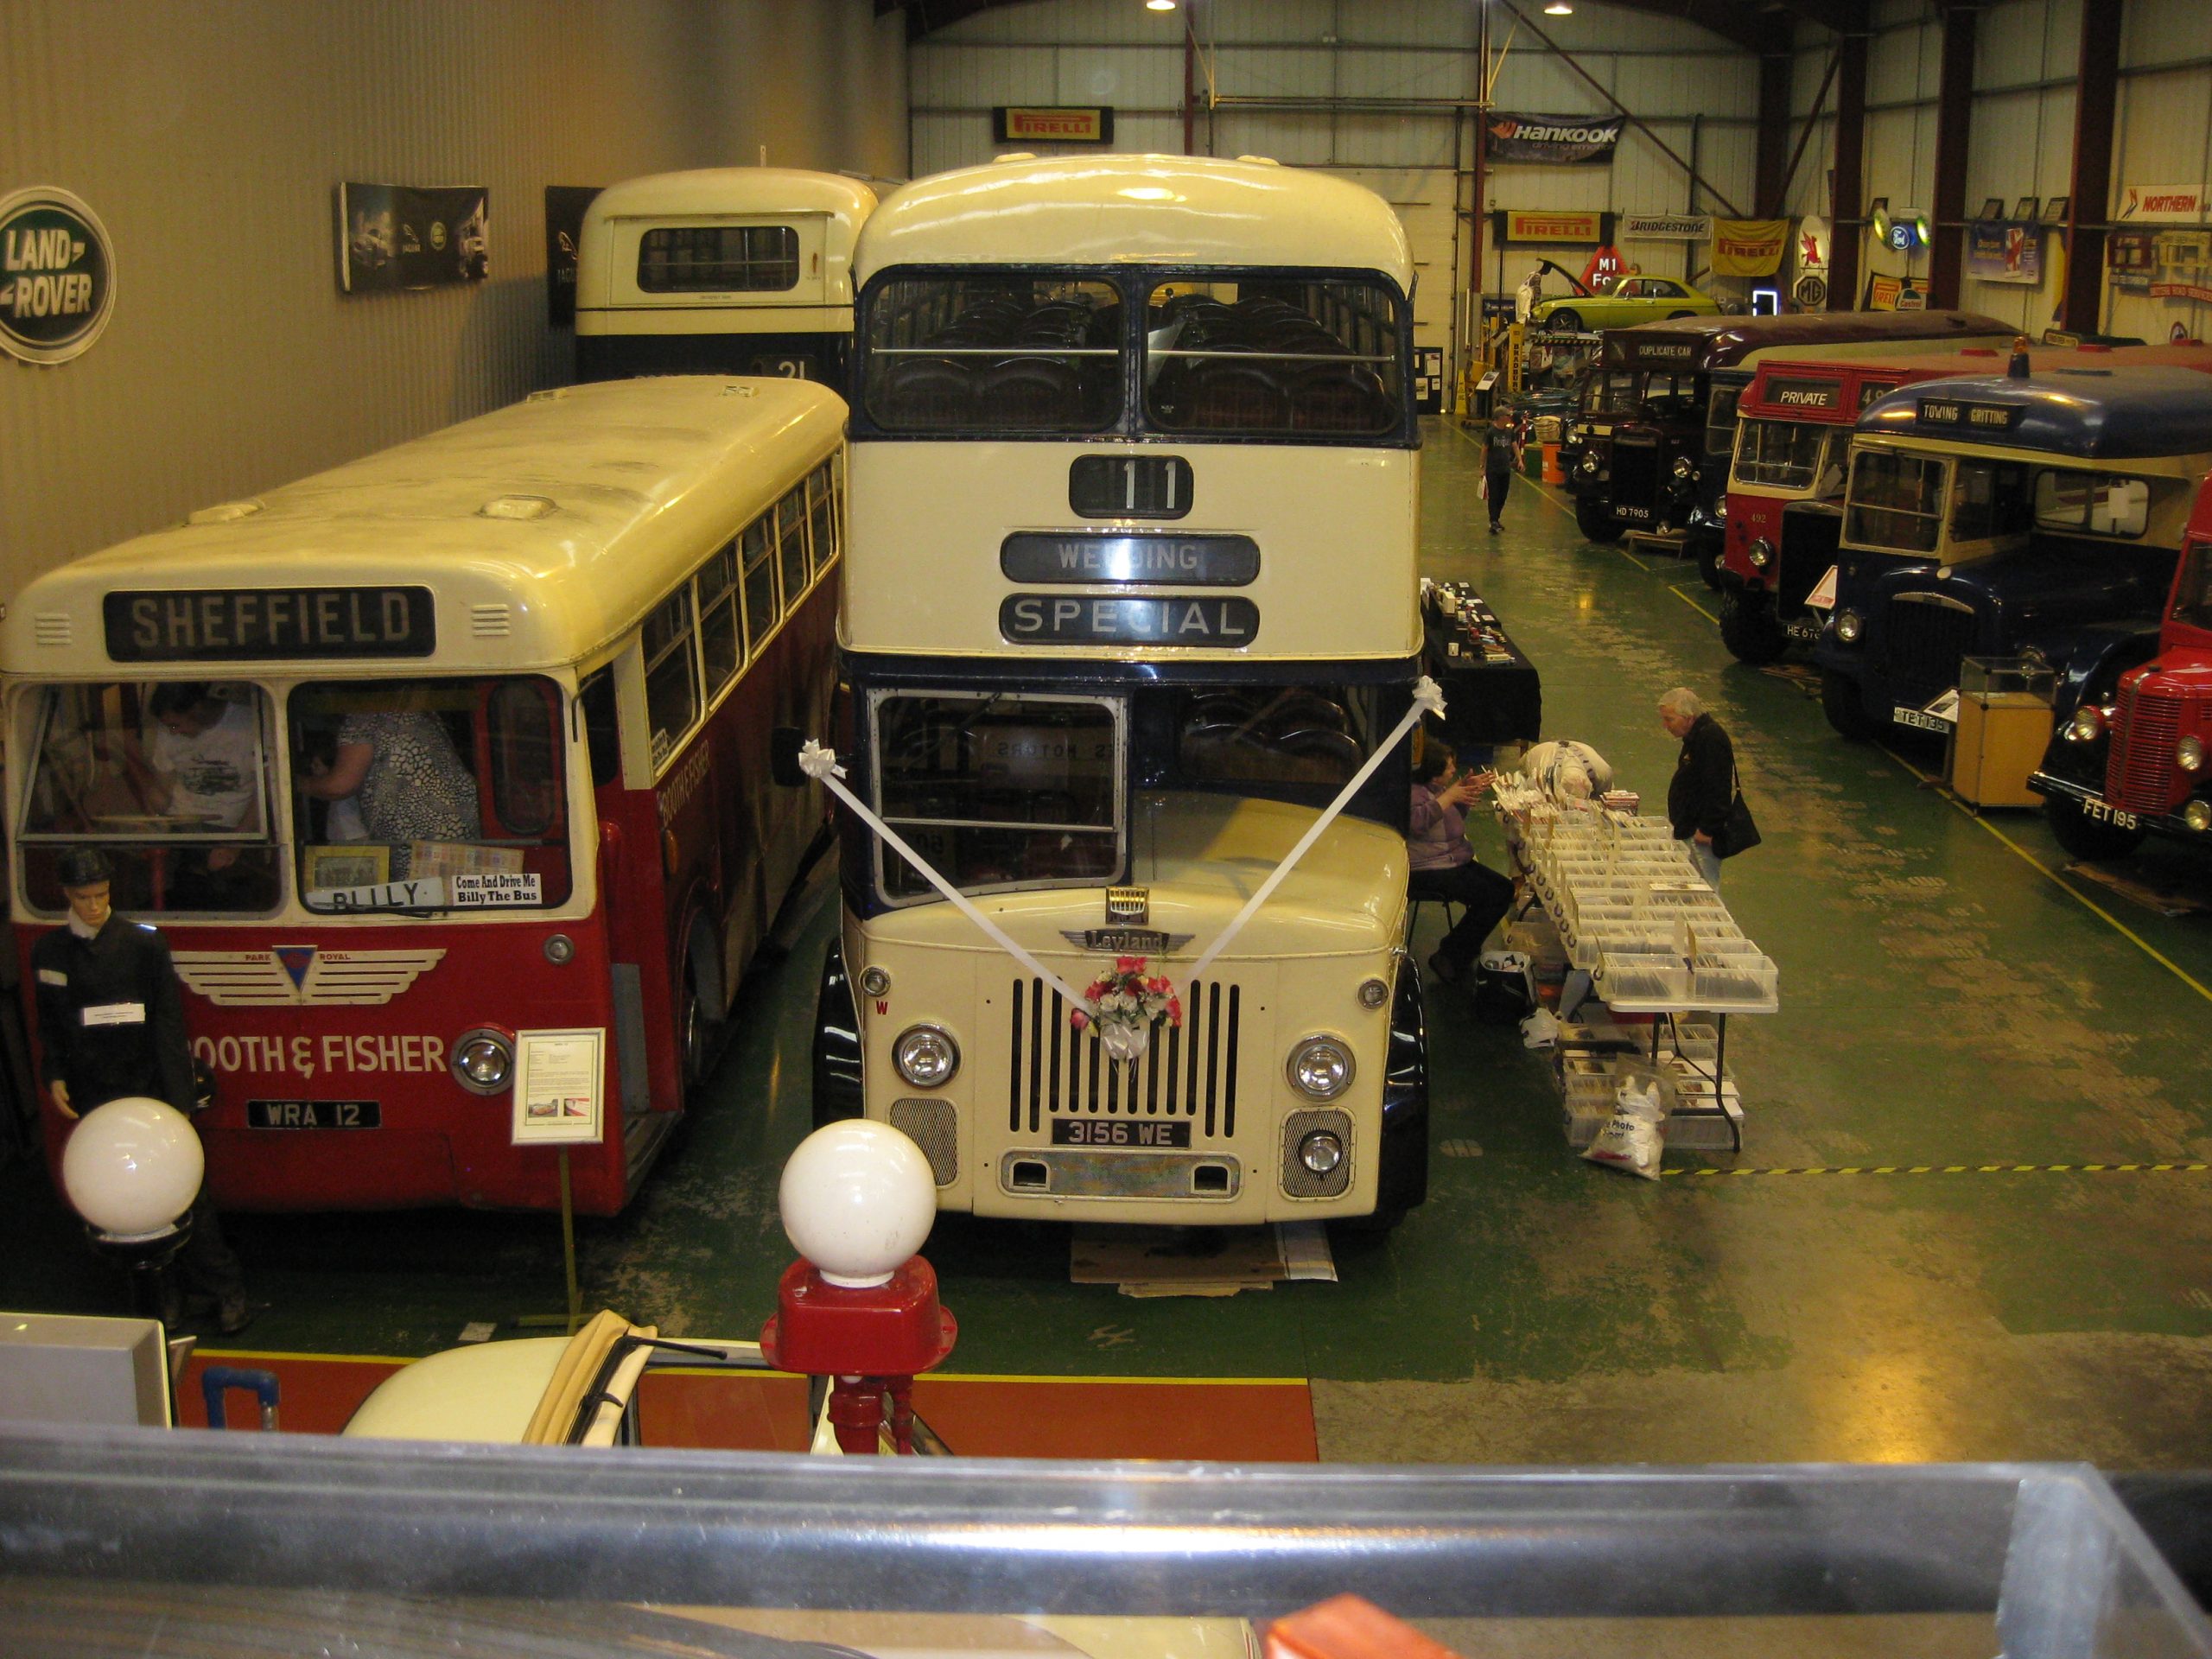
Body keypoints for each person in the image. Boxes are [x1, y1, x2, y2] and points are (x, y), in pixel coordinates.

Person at [32, 847, 251, 1334]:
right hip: (96, 1092)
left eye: (102, 894)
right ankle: (163, 1296)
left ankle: (223, 1290)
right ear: (66, 895)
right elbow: (51, 1025)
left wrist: (180, 1103)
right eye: (85, 897)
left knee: (185, 1194)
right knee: (128, 1207)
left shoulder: (143, 945)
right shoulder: (49, 954)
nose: (95, 906)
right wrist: (55, 1074)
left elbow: (168, 1025)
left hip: (149, 1087)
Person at [301, 702, 481, 880]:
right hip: (459, 825)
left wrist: (298, 784)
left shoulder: (364, 716)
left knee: (429, 899)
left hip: (420, 838)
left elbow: (339, 786)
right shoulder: (413, 710)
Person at [1408, 737, 1517, 988]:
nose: (1452, 771)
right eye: (1448, 768)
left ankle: (1461, 946)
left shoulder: (1437, 790)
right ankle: (1450, 955)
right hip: (1430, 867)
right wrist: (1450, 796)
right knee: (1492, 897)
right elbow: (1418, 823)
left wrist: (1462, 794)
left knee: (1503, 889)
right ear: (1433, 772)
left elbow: (1450, 821)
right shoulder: (1414, 794)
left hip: (1452, 858)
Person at [1661, 687, 1734, 887]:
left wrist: (1708, 830)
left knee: (1706, 888)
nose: (1666, 725)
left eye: (1670, 719)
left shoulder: (1711, 740)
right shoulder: (1695, 738)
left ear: (1689, 717)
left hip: (1700, 835)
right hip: (1689, 828)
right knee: (1691, 885)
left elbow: (1719, 789)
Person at [1483, 406, 1522, 534]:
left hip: (1505, 469)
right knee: (1493, 495)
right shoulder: (1491, 432)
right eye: (1507, 416)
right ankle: (1493, 520)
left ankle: (1497, 518)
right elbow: (1484, 450)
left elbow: (1515, 446)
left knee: (1502, 496)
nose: (1509, 418)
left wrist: (1519, 460)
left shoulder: (1509, 432)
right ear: (1500, 417)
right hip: (1493, 469)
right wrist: (1482, 467)